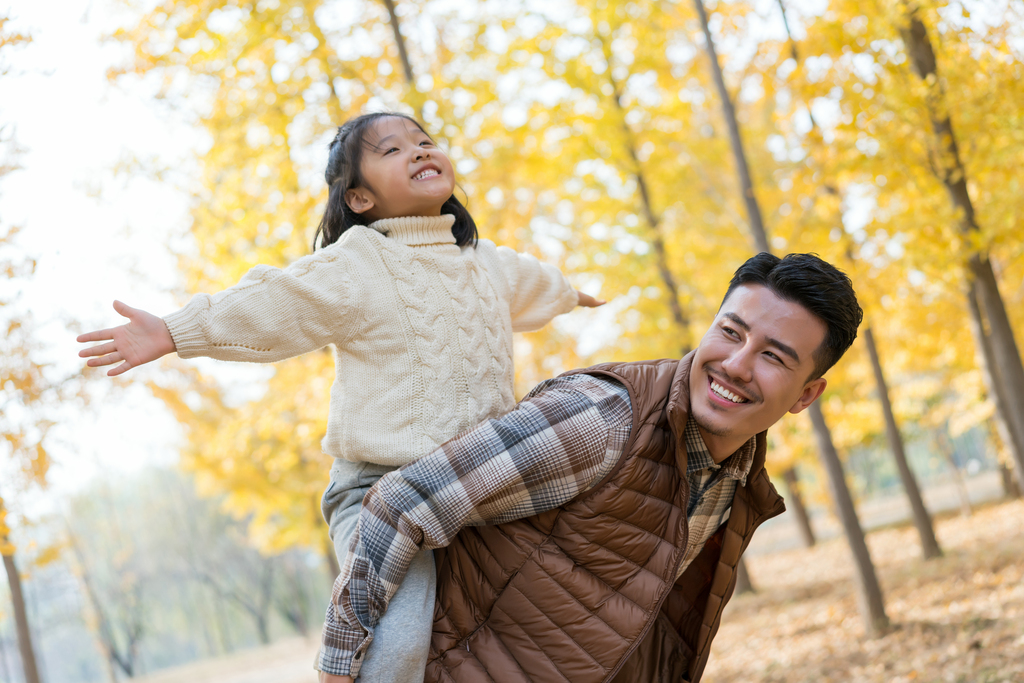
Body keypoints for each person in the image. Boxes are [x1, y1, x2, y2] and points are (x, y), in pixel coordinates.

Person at [76, 111, 605, 683]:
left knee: (548, 612)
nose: (420, 151)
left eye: (425, 142)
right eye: (393, 150)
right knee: (399, 646)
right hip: (378, 491)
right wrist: (175, 331)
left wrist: (573, 294)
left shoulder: (487, 263)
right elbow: (278, 301)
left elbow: (538, 282)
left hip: (474, 486)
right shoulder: (359, 264)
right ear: (358, 198)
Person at [317, 251, 863, 683]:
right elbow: (403, 502)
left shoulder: (737, 480)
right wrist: (339, 665)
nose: (736, 365)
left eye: (773, 356)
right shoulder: (600, 422)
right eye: (730, 332)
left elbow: (641, 625)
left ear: (806, 394)